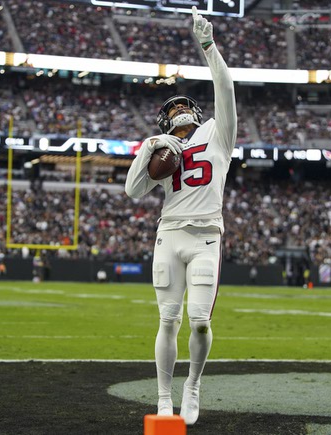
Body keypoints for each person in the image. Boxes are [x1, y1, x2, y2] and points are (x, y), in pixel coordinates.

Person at [124, 6, 237, 426]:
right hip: (169, 234)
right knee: (167, 319)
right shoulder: (161, 146)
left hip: (207, 233)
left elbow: (225, 87)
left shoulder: (217, 132)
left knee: (201, 322)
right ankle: (164, 396)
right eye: (169, 112)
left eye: (181, 108)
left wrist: (208, 47)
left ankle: (193, 384)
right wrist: (148, 147)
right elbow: (133, 189)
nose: (177, 114)